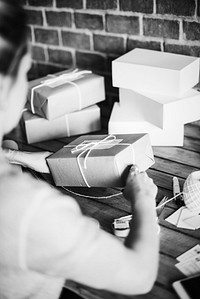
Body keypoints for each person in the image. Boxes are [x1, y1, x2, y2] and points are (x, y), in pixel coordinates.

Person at [0, 1, 159, 298]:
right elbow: (139, 276)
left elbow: (6, 149)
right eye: (25, 72)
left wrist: (12, 156)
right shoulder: (30, 210)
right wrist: (144, 199)